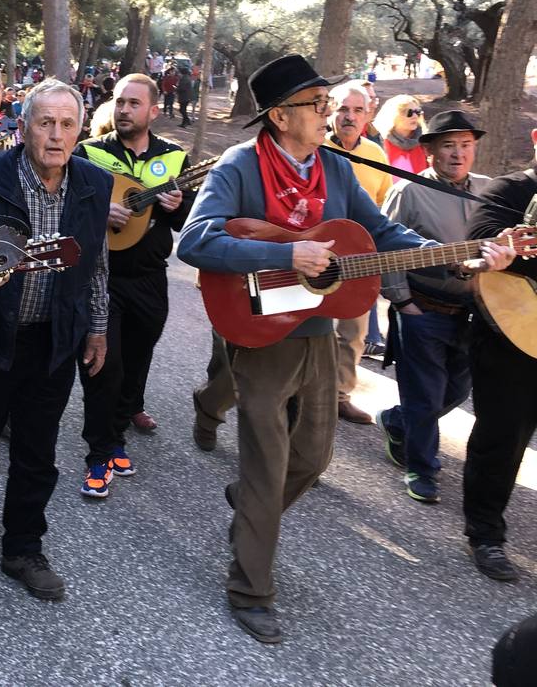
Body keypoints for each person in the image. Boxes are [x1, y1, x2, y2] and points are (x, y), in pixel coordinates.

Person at [176, 55, 508, 645]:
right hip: (256, 330)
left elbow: (381, 233)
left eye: (328, 102)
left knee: (313, 459)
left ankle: (253, 504)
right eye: (316, 104)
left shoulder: (334, 168)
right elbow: (198, 240)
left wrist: (450, 254)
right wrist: (285, 255)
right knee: (267, 462)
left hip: (316, 331)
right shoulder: (239, 165)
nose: (329, 112)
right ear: (280, 116)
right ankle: (250, 587)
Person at [0, 79, 110, 600]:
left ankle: (23, 547)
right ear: (23, 128)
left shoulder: (93, 184)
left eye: (67, 125)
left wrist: (99, 325)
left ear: (80, 130)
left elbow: (96, 260)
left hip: (53, 338)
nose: (56, 136)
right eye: (45, 123)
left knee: (38, 448)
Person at [72, 75, 189, 498]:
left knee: (136, 362)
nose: (123, 110)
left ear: (153, 111)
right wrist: (100, 211)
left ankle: (117, 431)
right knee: (105, 364)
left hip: (150, 277)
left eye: (134, 103)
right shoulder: (89, 153)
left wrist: (177, 206)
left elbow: (181, 222)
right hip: (103, 278)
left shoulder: (175, 159)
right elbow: (72, 206)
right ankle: (99, 454)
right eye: (119, 102)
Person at [376, 110, 492, 504]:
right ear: (429, 151)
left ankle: (396, 420)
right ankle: (421, 469)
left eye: (466, 146)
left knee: (456, 390)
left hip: (472, 314)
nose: (458, 155)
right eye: (448, 146)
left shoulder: (490, 193)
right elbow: (385, 250)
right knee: (425, 395)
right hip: (421, 309)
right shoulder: (408, 191)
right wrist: (403, 302)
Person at [462, 126, 537, 581]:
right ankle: (485, 534)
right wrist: (508, 250)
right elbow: (482, 241)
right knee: (501, 439)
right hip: (509, 338)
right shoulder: (510, 189)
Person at [325, 83, 392, 425]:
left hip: (359, 256)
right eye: (343, 109)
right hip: (316, 252)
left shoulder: (377, 155)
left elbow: (382, 205)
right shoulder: (315, 146)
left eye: (357, 111)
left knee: (354, 332)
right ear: (331, 111)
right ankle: (301, 393)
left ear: (368, 116)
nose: (349, 117)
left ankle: (339, 394)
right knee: (309, 326)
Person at [373, 94, 427, 180]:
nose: (415, 116)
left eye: (417, 112)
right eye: (409, 113)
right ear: (394, 115)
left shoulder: (425, 143)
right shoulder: (380, 143)